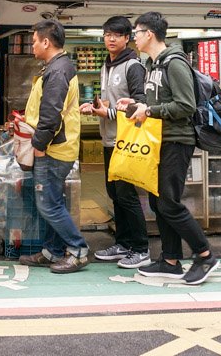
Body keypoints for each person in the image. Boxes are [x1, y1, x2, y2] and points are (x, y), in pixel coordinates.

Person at [117, 12, 219, 285]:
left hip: (177, 141)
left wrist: (149, 109)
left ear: (149, 34)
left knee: (169, 203)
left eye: (136, 33)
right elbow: (157, 104)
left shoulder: (174, 63)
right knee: (156, 202)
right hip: (159, 142)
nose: (134, 38)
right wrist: (136, 105)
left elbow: (185, 106)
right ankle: (171, 260)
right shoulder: (153, 64)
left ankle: (205, 255)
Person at [18, 19, 89, 274]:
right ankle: (52, 251)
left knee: (48, 204)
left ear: (46, 42)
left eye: (35, 41)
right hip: (56, 147)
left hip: (53, 149)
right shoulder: (57, 67)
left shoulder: (58, 71)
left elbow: (50, 115)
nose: (33, 45)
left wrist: (39, 144)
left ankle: (78, 251)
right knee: (53, 201)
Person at [81, 16, 149, 269]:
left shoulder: (133, 66)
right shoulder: (106, 65)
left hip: (128, 142)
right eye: (107, 34)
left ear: (127, 38)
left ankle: (141, 248)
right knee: (115, 194)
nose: (110, 39)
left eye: (116, 35)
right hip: (109, 139)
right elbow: (112, 102)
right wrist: (96, 107)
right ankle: (124, 243)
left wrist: (107, 114)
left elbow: (139, 105)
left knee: (126, 195)